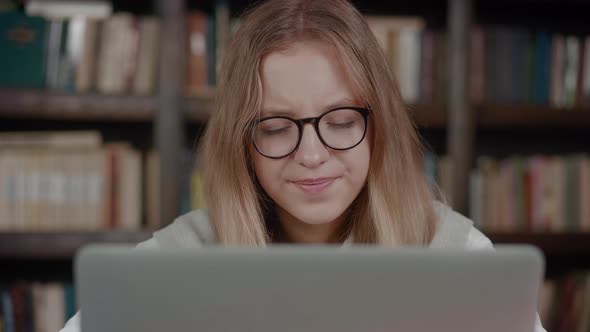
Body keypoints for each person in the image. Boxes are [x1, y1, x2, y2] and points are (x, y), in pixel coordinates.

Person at [60, 0, 547, 331]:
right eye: (275, 127)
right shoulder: (172, 262)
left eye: (340, 120)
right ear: (241, 143)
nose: (311, 155)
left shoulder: (458, 256)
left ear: (380, 129)